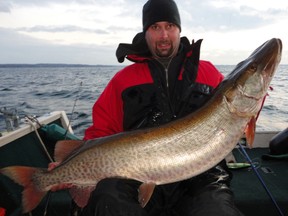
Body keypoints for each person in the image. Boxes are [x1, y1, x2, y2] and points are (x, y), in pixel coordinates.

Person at [81, 0, 244, 215]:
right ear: (145, 33)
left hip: (199, 175)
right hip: (135, 175)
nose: (164, 35)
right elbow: (101, 133)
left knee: (216, 209)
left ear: (179, 30)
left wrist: (256, 103)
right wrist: (71, 164)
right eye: (155, 27)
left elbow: (237, 118)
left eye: (170, 26)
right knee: (109, 197)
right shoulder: (123, 80)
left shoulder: (208, 73)